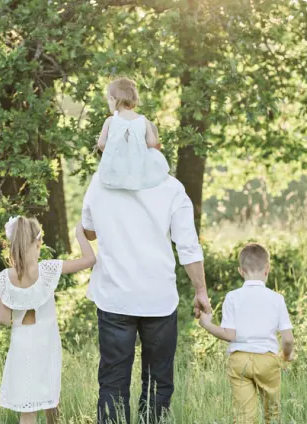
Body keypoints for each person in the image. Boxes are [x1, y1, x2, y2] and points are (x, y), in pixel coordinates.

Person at [81, 120, 210, 424]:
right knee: (157, 381)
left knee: (113, 382)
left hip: (115, 297)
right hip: (158, 298)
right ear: (157, 146)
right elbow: (188, 248)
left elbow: (88, 231)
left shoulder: (100, 182)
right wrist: (200, 291)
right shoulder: (171, 188)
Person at [0, 217, 97, 424]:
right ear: (38, 243)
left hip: (21, 345)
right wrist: (79, 235)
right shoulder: (47, 270)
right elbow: (89, 260)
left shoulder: (4, 278)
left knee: (28, 410)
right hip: (46, 343)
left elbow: (3, 320)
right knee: (50, 397)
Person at [198, 243, 295, 424]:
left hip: (240, 361)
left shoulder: (232, 297)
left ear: (241, 271)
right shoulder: (276, 299)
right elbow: (288, 339)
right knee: (272, 413)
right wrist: (286, 356)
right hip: (268, 360)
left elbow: (229, 335)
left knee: (244, 416)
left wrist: (207, 325)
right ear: (267, 269)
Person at [96, 77, 170, 190]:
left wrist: (112, 152)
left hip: (117, 164)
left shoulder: (110, 121)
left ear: (112, 99)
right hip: (137, 166)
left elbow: (101, 144)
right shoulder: (143, 120)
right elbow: (151, 142)